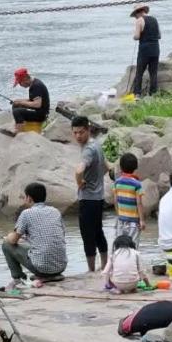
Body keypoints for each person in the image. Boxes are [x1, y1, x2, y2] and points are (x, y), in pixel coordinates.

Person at [3, 181, 67, 290]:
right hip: (61, 267)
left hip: (42, 269)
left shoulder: (26, 213)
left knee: (6, 245)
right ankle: (52, 275)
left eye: (25, 197)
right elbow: (61, 234)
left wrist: (7, 237)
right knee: (30, 247)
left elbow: (13, 240)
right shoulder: (55, 211)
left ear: (29, 198)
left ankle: (18, 278)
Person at [73, 115, 108, 273]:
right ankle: (105, 265)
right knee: (98, 231)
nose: (78, 136)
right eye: (75, 133)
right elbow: (107, 167)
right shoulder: (96, 144)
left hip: (88, 199)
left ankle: (91, 270)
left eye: (81, 132)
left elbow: (79, 169)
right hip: (99, 197)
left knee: (88, 234)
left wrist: (79, 182)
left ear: (88, 130)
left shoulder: (88, 149)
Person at [130, 5, 161, 98]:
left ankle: (137, 94)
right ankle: (153, 93)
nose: (135, 17)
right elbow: (159, 35)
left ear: (138, 12)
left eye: (135, 15)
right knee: (153, 72)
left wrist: (134, 36)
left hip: (145, 49)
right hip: (155, 48)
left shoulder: (139, 20)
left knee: (139, 72)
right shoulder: (155, 19)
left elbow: (137, 36)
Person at [113, 151, 145, 241]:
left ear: (121, 167)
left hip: (121, 220)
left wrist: (119, 215)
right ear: (135, 168)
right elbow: (139, 203)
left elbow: (115, 200)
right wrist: (142, 220)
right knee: (132, 246)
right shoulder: (137, 184)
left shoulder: (117, 182)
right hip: (133, 222)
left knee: (120, 245)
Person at [10, 68, 50, 132]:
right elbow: (32, 99)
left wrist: (21, 103)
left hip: (41, 114)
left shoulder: (36, 86)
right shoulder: (34, 83)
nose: (20, 85)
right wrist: (19, 101)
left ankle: (19, 132)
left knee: (17, 112)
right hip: (39, 111)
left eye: (20, 83)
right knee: (15, 105)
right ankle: (19, 126)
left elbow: (37, 104)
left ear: (25, 79)